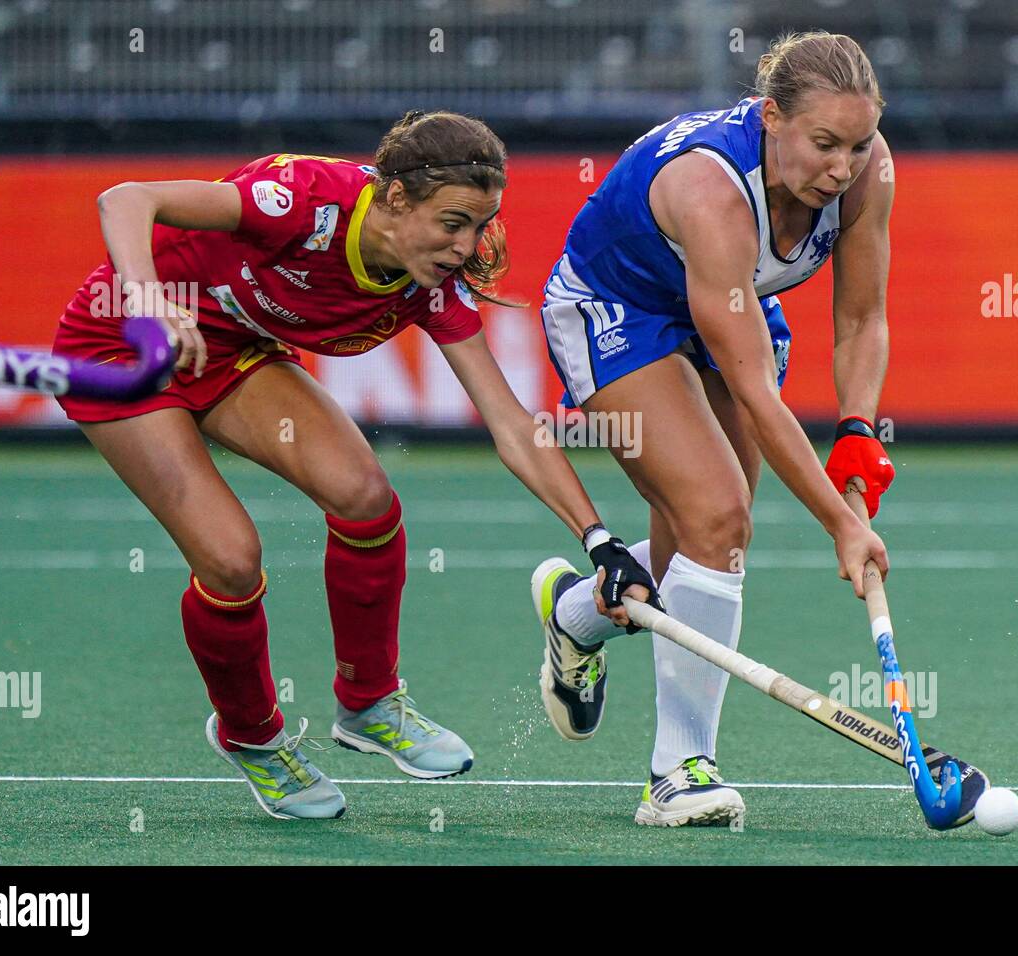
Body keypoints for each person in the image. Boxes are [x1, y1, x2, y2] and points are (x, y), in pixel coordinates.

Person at [51, 111, 656, 821]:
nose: (465, 247)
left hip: (235, 351)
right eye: (453, 222)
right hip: (122, 349)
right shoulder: (301, 200)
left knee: (364, 495)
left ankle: (368, 703)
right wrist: (149, 300)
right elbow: (124, 198)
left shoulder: (430, 283)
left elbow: (514, 426)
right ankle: (252, 736)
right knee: (231, 559)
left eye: (479, 226)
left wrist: (599, 540)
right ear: (397, 198)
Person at [531, 31, 894, 826]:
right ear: (771, 117)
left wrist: (859, 428)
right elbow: (759, 393)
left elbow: (862, 315)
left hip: (725, 304)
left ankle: (578, 616)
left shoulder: (869, 171)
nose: (842, 167)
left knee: (702, 538)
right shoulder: (712, 190)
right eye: (824, 144)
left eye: (859, 143)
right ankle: (677, 774)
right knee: (720, 512)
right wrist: (841, 524)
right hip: (616, 308)